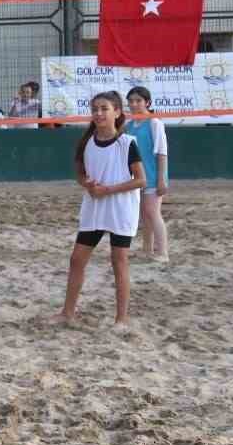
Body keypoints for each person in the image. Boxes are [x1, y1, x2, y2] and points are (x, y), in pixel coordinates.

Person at [56, 91, 144, 324]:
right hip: (95, 208)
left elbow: (140, 180)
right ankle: (67, 313)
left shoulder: (127, 143)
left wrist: (108, 190)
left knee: (119, 261)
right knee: (76, 259)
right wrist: (86, 183)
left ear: (117, 112)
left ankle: (121, 319)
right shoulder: (87, 141)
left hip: (120, 208)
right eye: (95, 109)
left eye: (104, 108)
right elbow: (80, 173)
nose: (98, 113)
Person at [126, 86, 170, 262]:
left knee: (153, 212)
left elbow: (162, 153)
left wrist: (161, 179)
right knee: (144, 214)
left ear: (148, 103)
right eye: (131, 101)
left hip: (153, 176)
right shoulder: (129, 126)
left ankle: (163, 253)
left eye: (138, 101)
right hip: (137, 177)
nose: (134, 104)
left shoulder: (154, 123)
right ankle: (147, 250)